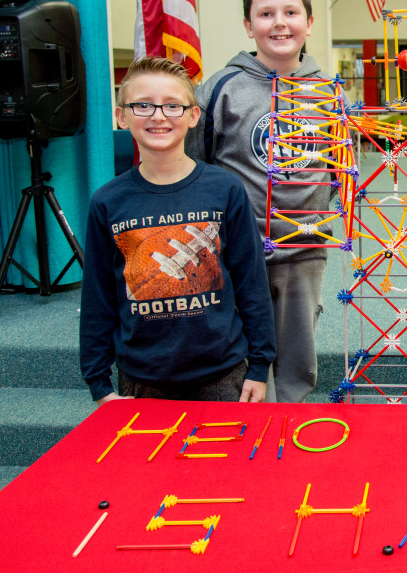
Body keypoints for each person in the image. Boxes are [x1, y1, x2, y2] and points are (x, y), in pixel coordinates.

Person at [79, 56, 276, 406]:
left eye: (173, 105)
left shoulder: (226, 190)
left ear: (193, 115)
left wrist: (260, 366)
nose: (158, 116)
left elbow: (251, 283)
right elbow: (98, 297)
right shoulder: (107, 202)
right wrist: (99, 383)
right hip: (142, 378)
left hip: (221, 373)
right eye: (142, 105)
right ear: (121, 116)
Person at [187, 0, 336, 403]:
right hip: (238, 246)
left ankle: (290, 412)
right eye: (266, 13)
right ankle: (248, 418)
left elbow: (338, 168)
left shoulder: (329, 91)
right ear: (248, 25)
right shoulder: (220, 88)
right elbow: (198, 160)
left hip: (305, 244)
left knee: (297, 341)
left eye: (291, 12)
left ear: (309, 23)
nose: (279, 23)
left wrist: (316, 217)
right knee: (240, 336)